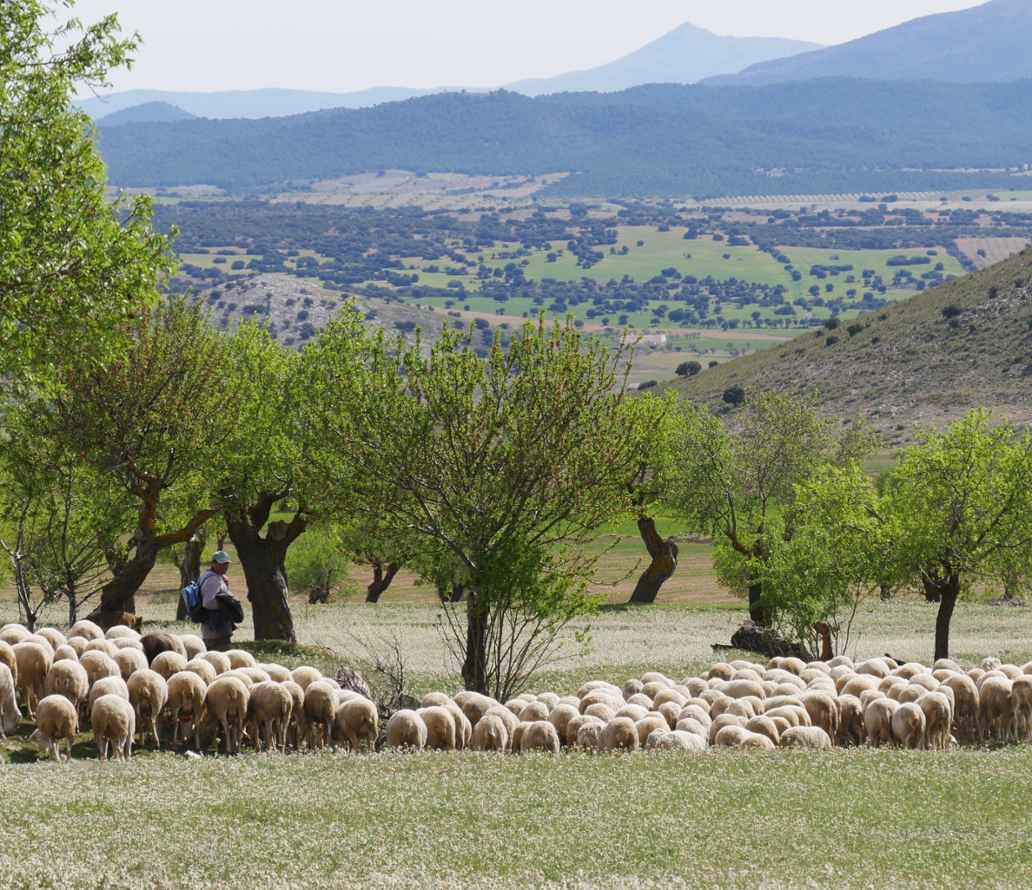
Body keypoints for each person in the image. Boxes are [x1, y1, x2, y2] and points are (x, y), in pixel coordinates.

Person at [200, 550, 243, 652]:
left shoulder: (215, 577)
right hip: (216, 629)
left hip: (217, 627)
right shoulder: (212, 580)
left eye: (226, 564)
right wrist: (226, 605)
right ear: (213, 564)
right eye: (221, 564)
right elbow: (208, 603)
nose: (225, 566)